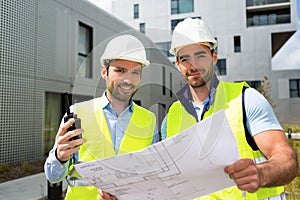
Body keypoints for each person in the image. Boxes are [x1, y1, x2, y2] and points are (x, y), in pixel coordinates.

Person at [161, 18, 299, 199]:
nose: (192, 65)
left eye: (200, 55)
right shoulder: (172, 115)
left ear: (214, 56)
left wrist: (261, 174)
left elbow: (287, 160)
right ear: (178, 65)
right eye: (184, 59)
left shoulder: (246, 100)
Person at [44, 34, 159, 200]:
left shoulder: (149, 120)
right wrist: (59, 158)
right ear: (104, 72)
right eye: (120, 70)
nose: (128, 79)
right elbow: (54, 177)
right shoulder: (77, 113)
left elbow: (151, 176)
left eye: (135, 72)